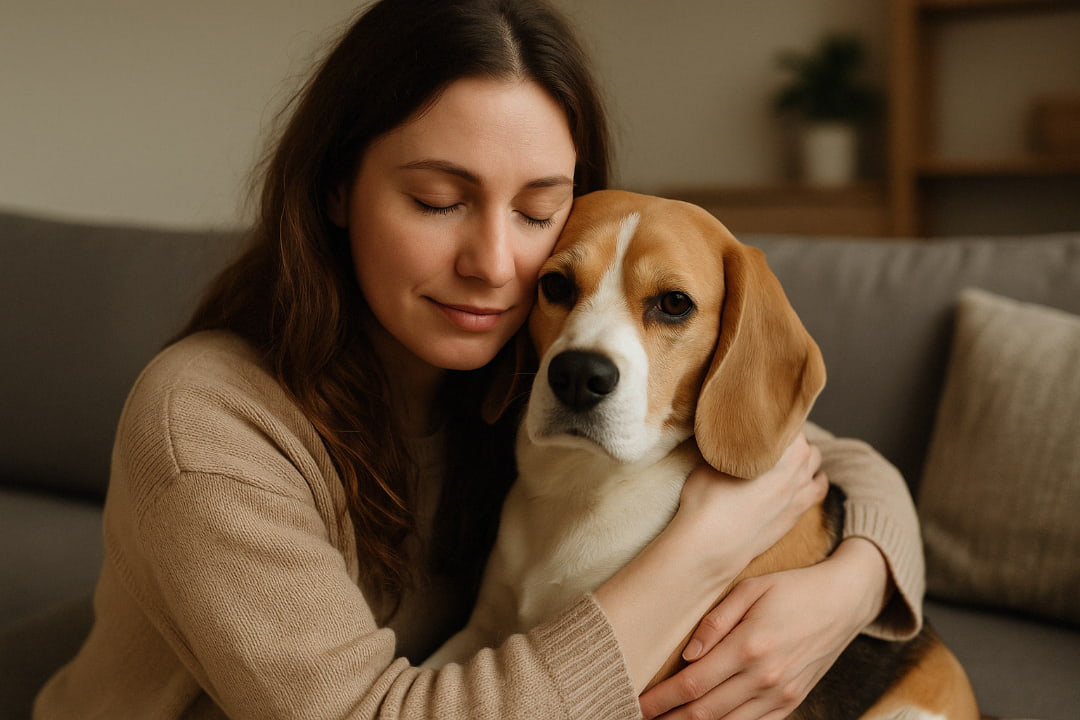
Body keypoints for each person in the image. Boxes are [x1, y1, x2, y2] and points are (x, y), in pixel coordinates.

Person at [35, 1, 924, 718]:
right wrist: (694, 554)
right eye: (437, 200)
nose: (495, 265)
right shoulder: (204, 419)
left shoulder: (518, 365)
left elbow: (821, 451)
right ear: (338, 187)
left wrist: (850, 587)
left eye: (538, 212)